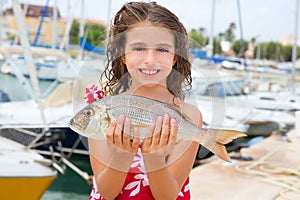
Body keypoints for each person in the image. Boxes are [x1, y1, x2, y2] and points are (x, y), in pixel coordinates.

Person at [88, 1, 202, 199]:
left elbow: (167, 196)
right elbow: (106, 192)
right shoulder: (102, 108)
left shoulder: (189, 115)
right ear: (122, 55)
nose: (150, 59)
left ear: (175, 57)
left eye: (162, 50)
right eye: (139, 48)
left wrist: (154, 159)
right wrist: (121, 157)